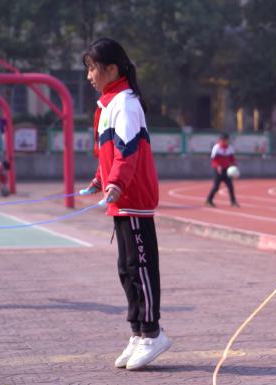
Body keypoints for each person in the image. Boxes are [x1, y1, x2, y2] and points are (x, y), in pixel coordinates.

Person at [80, 37, 171, 370]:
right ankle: (137, 331)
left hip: (134, 199)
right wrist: (100, 179)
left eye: (93, 68)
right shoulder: (108, 104)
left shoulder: (126, 102)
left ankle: (152, 332)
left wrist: (116, 182)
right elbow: (110, 153)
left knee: (141, 268)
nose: (89, 75)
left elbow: (129, 149)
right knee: (126, 268)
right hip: (121, 201)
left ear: (111, 68)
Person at [205, 133, 239, 207]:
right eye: (223, 140)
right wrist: (218, 166)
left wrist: (234, 164)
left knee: (230, 186)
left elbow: (231, 158)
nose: (225, 141)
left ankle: (233, 202)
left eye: (226, 140)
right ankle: (209, 200)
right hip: (218, 170)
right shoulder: (216, 147)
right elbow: (214, 159)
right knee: (216, 186)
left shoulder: (229, 148)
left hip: (227, 170)